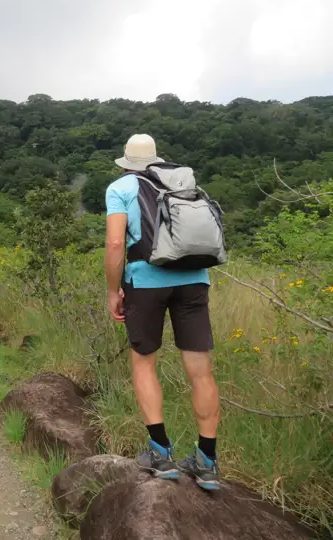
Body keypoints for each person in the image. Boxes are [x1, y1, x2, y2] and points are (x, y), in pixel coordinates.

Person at [104, 133, 221, 491]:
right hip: (194, 279)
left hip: (145, 282)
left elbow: (115, 242)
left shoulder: (120, 187)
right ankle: (206, 461)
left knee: (144, 363)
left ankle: (160, 453)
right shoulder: (183, 181)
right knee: (200, 371)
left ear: (126, 161)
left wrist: (113, 290)